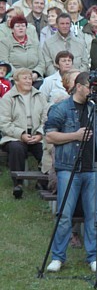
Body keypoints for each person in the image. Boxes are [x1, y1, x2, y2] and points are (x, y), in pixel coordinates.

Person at [45, 72, 97, 273]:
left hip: (93, 167)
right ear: (78, 86)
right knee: (65, 214)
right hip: (69, 168)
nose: (92, 90)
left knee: (94, 214)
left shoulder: (96, 108)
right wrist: (74, 135)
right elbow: (50, 136)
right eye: (89, 87)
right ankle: (58, 257)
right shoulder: (61, 108)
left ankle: (94, 256)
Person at [0, 68, 46, 198]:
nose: (28, 81)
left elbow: (47, 118)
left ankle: (43, 182)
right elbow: (4, 123)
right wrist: (21, 134)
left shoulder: (40, 96)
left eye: (30, 78)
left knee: (46, 149)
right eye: (25, 78)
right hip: (14, 136)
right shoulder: (8, 98)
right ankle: (17, 184)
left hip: (37, 135)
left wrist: (40, 134)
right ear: (16, 81)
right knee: (17, 148)